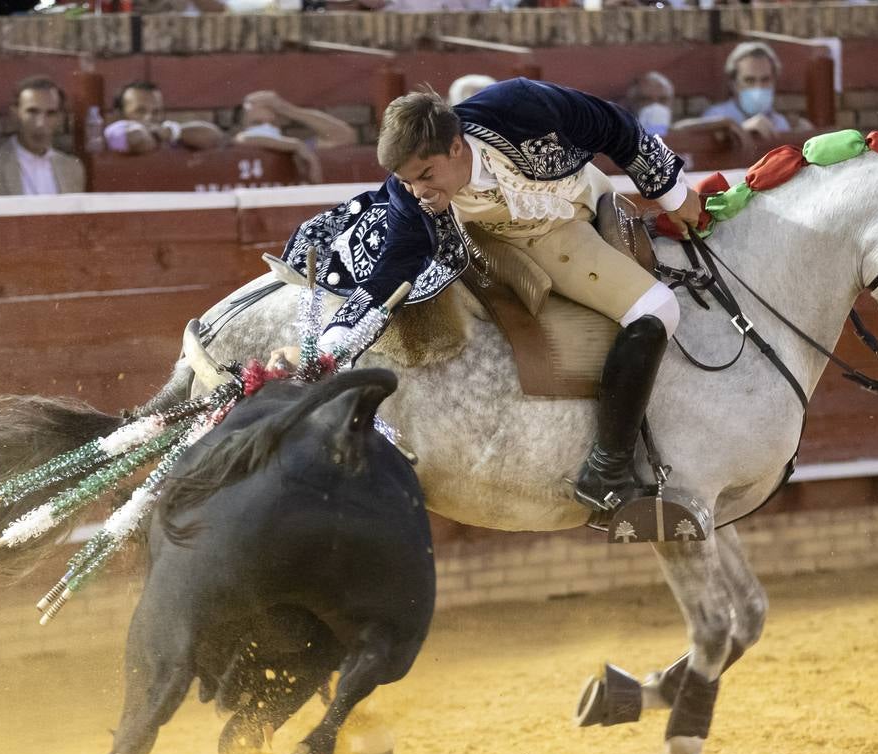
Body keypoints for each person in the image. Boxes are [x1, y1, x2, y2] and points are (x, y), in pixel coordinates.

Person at [272, 80, 701, 514]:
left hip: (590, 192)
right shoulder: (411, 198)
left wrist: (674, 195)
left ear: (457, 146)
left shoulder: (523, 106)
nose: (419, 191)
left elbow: (615, 126)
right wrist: (326, 353)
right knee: (659, 308)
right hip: (537, 237)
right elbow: (390, 276)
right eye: (406, 180)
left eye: (426, 175)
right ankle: (607, 469)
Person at [0, 76, 84, 197]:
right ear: (15, 113)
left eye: (50, 113)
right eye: (32, 112)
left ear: (59, 118)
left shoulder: (72, 168)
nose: (40, 123)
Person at [233, 90, 357, 183]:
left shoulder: (303, 147)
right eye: (257, 123)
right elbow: (243, 139)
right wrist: (295, 146)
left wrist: (286, 109)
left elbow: (345, 136)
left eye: (271, 123)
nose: (265, 128)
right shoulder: (296, 146)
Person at [702, 41, 811, 139]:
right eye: (749, 80)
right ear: (733, 84)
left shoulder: (779, 122)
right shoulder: (717, 116)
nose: (758, 87)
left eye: (765, 79)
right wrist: (741, 130)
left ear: (773, 81)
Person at [103, 81, 226, 155]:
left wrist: (172, 132)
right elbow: (137, 140)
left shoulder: (166, 131)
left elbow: (215, 137)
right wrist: (157, 134)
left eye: (156, 111)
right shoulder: (115, 130)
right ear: (121, 114)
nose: (149, 117)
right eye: (140, 111)